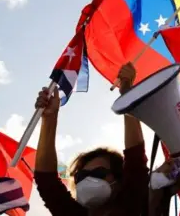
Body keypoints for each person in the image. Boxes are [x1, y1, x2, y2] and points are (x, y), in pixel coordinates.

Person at [34, 63, 149, 216]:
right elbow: (46, 181)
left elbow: (135, 159)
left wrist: (127, 93)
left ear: (118, 180)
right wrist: (49, 118)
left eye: (99, 173)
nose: (87, 180)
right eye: (80, 176)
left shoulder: (129, 206)